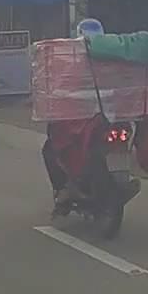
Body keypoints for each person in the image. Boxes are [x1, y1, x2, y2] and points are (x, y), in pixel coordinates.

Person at [42, 18, 106, 207]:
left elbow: (60, 89)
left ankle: (62, 188)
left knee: (50, 148)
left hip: (83, 122)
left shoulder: (73, 65)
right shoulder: (112, 63)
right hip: (109, 118)